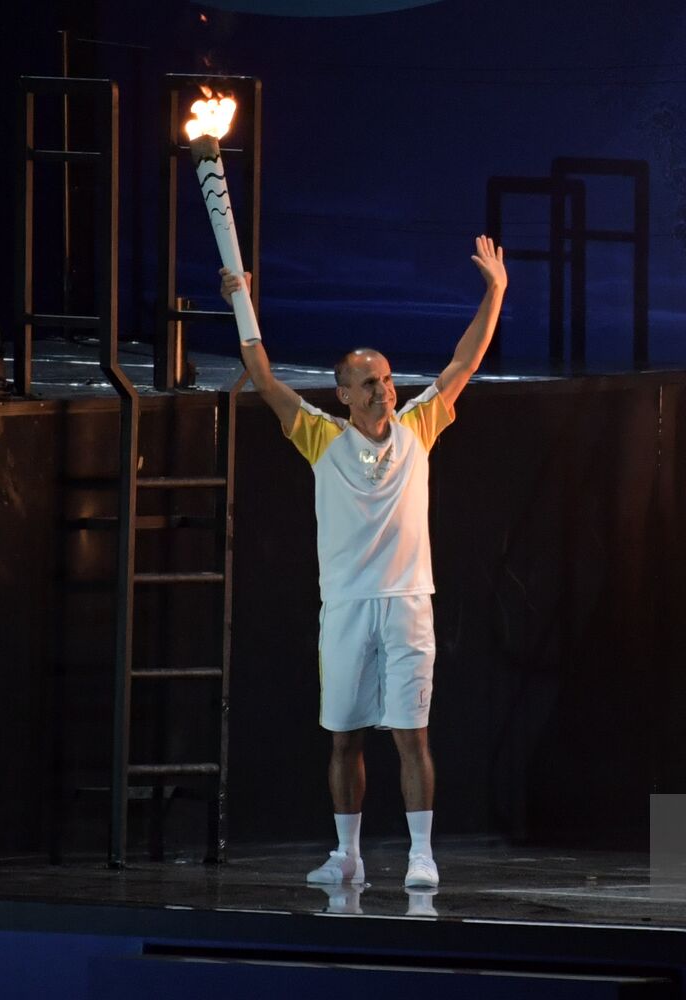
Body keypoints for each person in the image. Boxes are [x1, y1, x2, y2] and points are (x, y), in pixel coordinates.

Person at [220, 235, 507, 890]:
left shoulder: (419, 427)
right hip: (346, 610)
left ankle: (420, 855)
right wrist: (241, 304)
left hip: (408, 606)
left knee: (412, 735)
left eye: (386, 378)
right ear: (343, 394)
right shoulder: (319, 437)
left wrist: (496, 290)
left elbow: (465, 359)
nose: (384, 389)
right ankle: (346, 856)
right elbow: (263, 378)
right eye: (369, 383)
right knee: (345, 740)